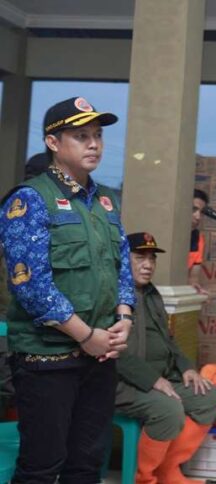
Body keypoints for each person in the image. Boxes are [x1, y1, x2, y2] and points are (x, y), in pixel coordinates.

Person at [0, 96, 133, 483]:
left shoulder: (106, 201)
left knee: (87, 465)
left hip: (100, 357)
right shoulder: (30, 199)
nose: (94, 144)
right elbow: (31, 285)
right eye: (80, 136)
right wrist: (86, 335)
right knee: (42, 466)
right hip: (48, 359)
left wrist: (124, 317)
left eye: (98, 135)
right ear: (53, 143)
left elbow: (122, 266)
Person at [116, 232, 216, 484]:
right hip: (119, 383)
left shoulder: (152, 295)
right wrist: (153, 380)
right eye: (140, 257)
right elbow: (111, 351)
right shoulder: (112, 294)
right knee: (168, 409)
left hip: (159, 379)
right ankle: (145, 478)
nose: (148, 264)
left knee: (209, 397)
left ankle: (167, 471)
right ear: (122, 258)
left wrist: (186, 367)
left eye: (152, 259)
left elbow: (168, 340)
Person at [187, 189, 208, 294]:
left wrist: (196, 290)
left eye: (201, 212)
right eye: (194, 209)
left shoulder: (198, 239)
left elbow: (193, 279)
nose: (198, 217)